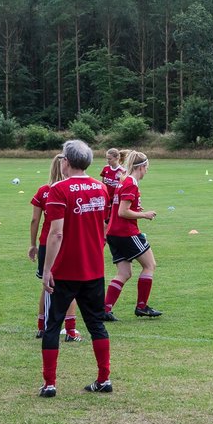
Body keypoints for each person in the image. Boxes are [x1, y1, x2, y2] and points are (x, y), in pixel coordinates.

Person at [38, 139, 113, 396]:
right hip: (93, 269)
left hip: (64, 271)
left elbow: (56, 234)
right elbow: (104, 226)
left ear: (65, 162)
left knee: (52, 326)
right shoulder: (101, 188)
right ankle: (104, 379)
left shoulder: (59, 190)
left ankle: (50, 384)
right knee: (97, 326)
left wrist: (47, 270)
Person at [103, 150, 161, 319]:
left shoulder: (124, 181)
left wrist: (135, 209)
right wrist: (144, 215)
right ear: (142, 167)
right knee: (150, 265)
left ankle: (105, 310)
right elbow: (123, 212)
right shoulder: (131, 183)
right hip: (125, 232)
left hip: (114, 232)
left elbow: (123, 207)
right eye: (146, 167)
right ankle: (141, 307)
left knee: (124, 273)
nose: (147, 171)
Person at [28, 153, 81, 341]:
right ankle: (70, 331)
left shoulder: (43, 190)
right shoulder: (73, 189)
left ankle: (42, 327)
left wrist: (33, 244)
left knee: (46, 285)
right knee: (70, 286)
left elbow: (35, 219)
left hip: (45, 243)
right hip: (67, 242)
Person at [99, 148, 123, 227]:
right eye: (107, 159)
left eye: (110, 159)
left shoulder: (122, 171)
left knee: (113, 218)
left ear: (117, 158)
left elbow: (124, 187)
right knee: (105, 218)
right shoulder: (106, 168)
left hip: (116, 199)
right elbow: (103, 183)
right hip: (106, 198)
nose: (108, 161)